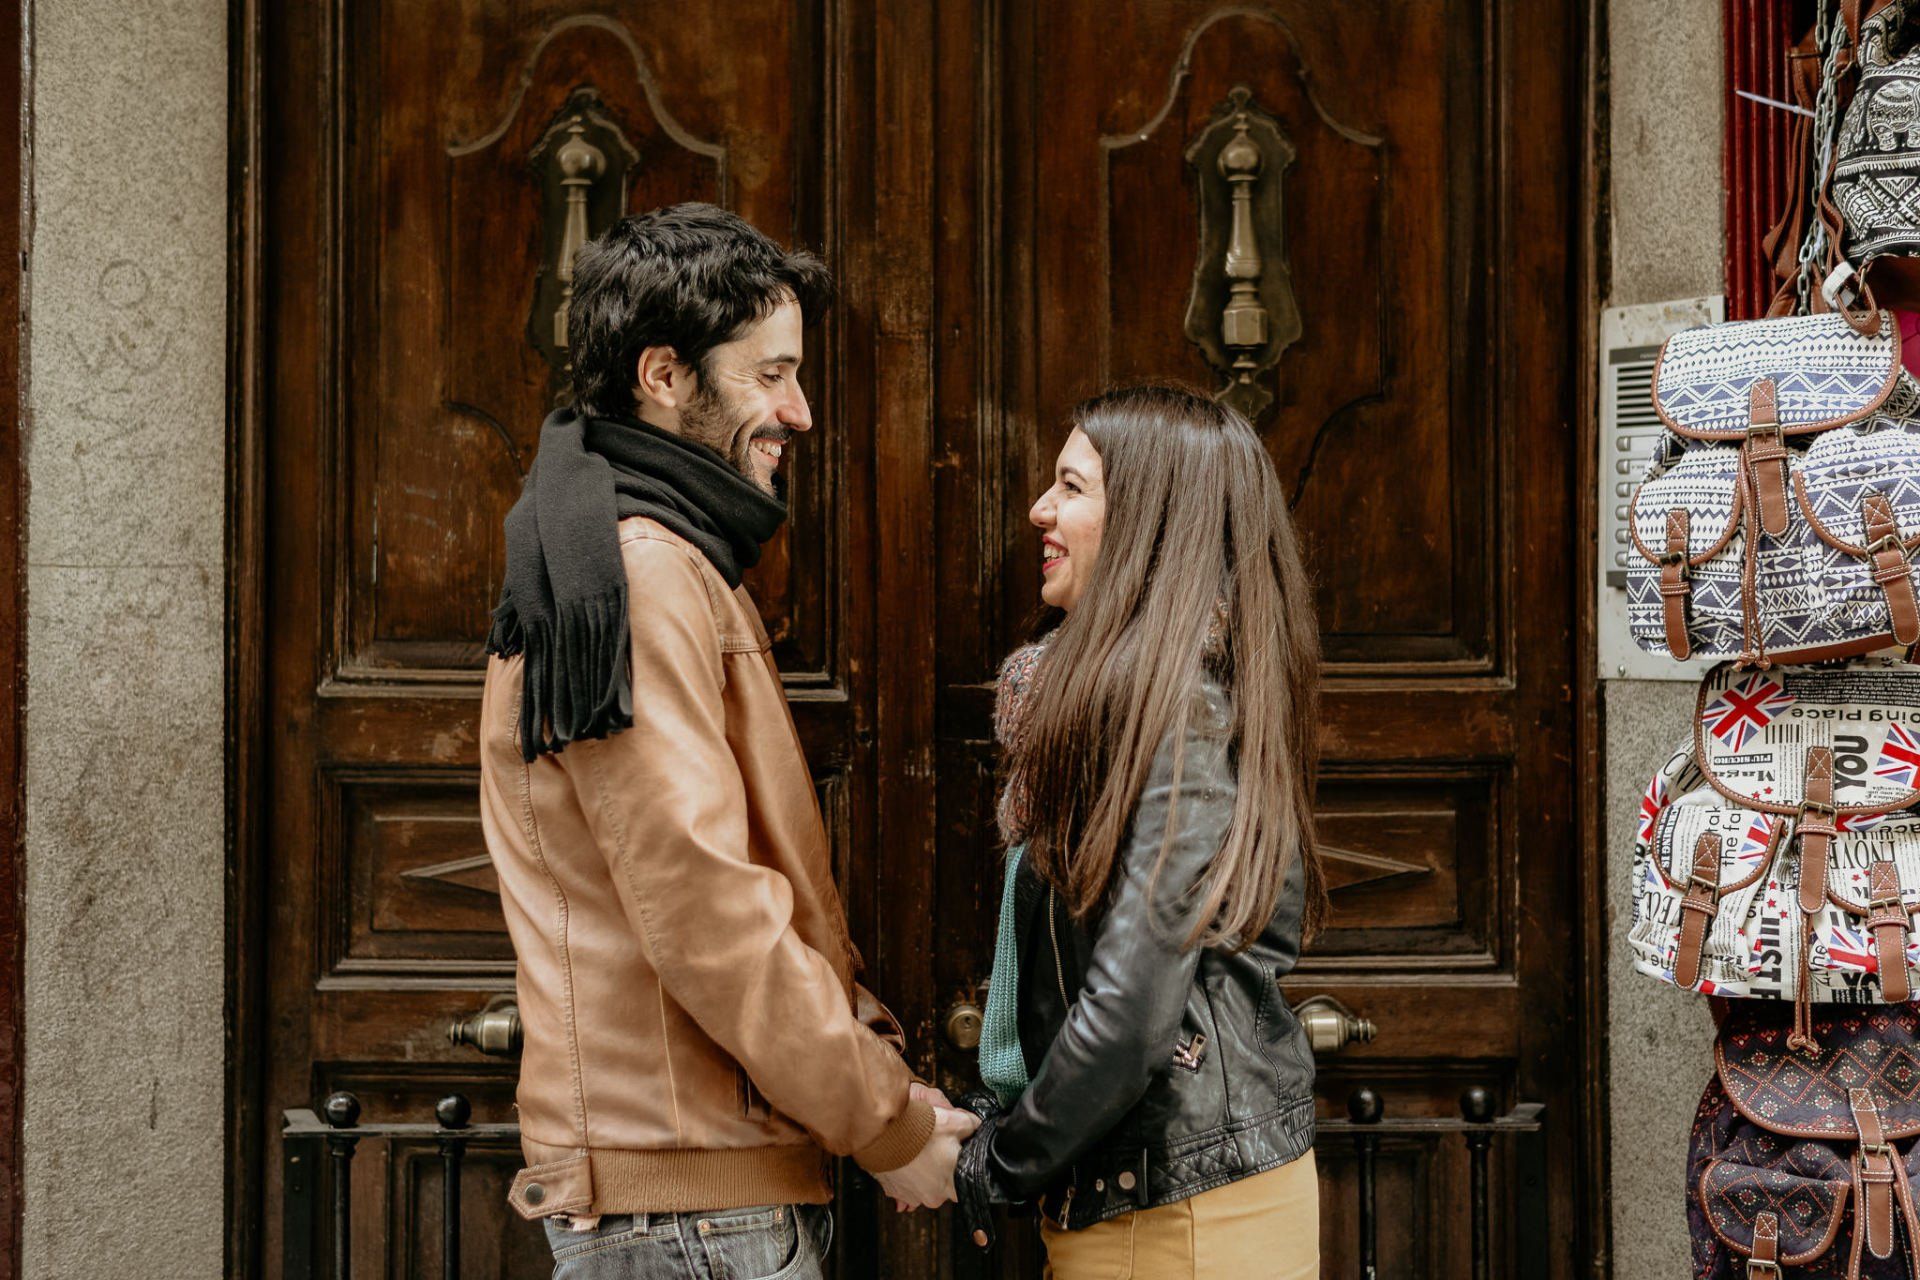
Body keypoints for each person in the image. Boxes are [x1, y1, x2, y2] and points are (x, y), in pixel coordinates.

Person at [478, 203, 975, 1280]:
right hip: (692, 1213)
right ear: (664, 375)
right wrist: (887, 1122)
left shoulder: (640, 557)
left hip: (691, 1196)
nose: (800, 411)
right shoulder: (640, 572)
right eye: (770, 374)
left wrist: (880, 1091)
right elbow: (705, 908)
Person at [953, 384, 1325, 1279]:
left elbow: (1129, 1018)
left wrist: (997, 1164)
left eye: (1071, 487)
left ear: (1150, 526)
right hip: (1155, 1200)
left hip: (1175, 1218)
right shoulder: (1143, 701)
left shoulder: (1177, 711)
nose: (1039, 509)